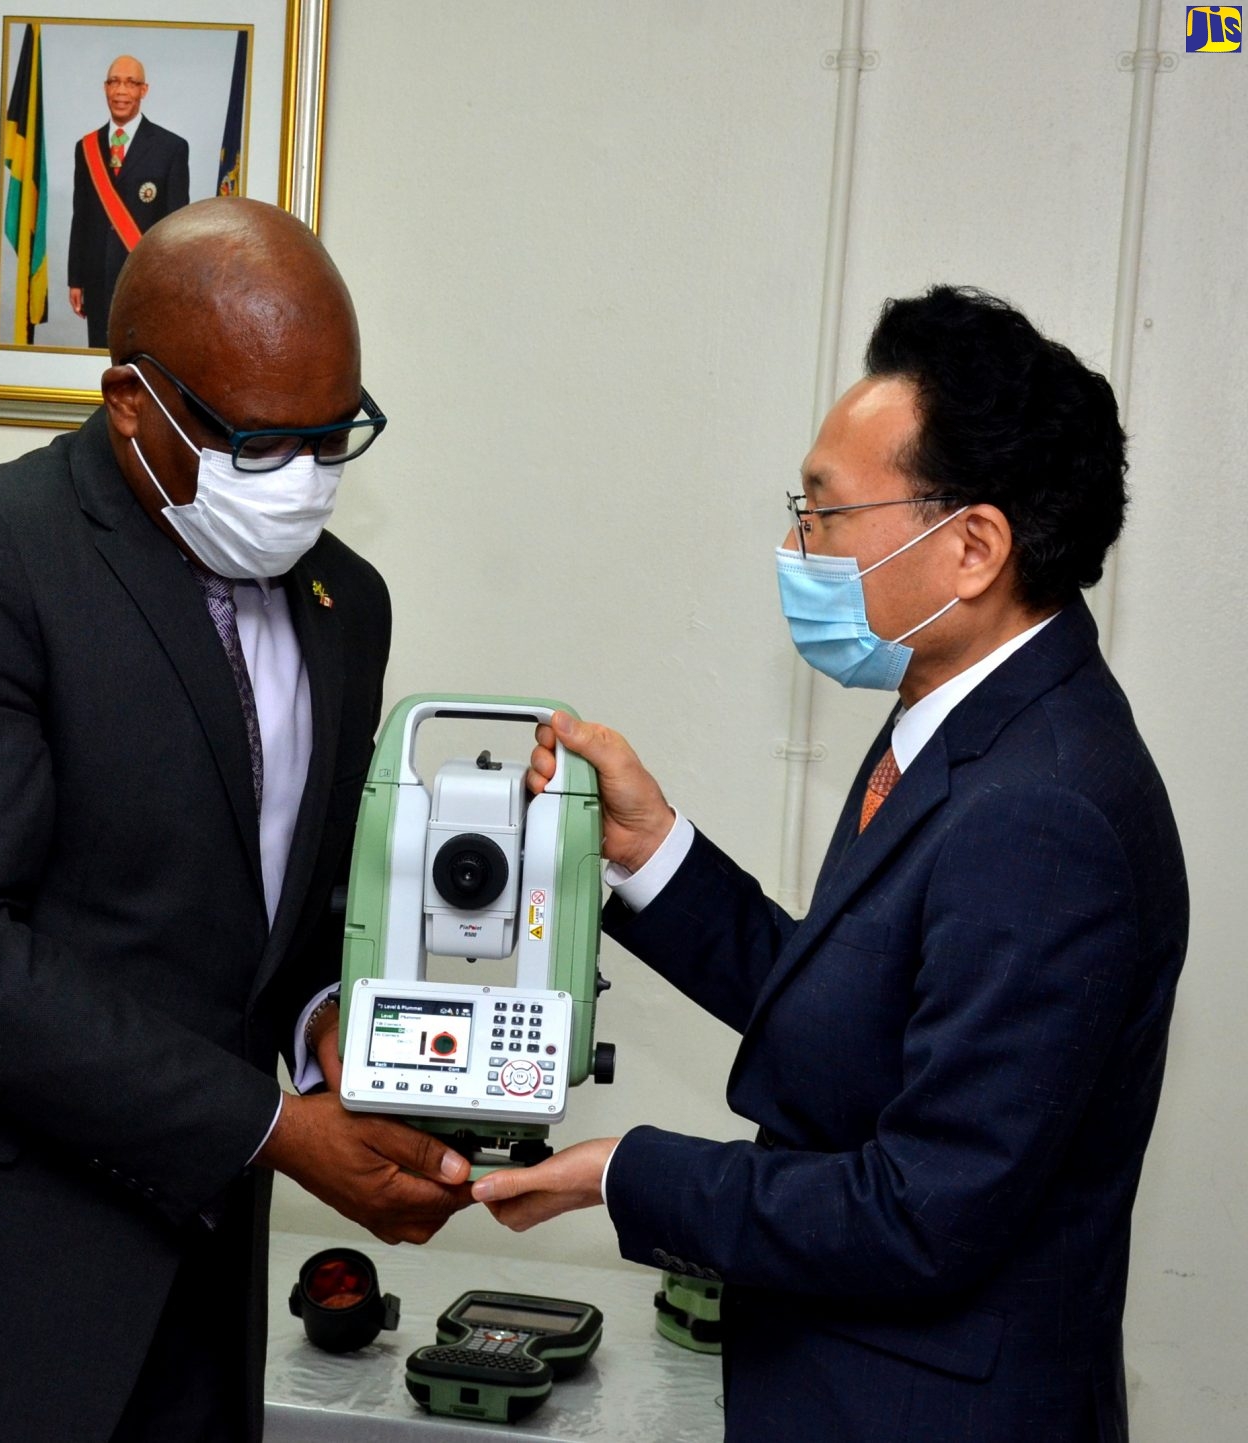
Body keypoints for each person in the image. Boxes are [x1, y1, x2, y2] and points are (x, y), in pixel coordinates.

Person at [0, 197, 470, 1443]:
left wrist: (345, 1044)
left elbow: (294, 907)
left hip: (189, 1298)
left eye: (334, 441)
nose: (302, 484)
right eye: (260, 444)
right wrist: (271, 1126)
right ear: (128, 400)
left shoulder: (343, 602)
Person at [475, 286, 1188, 1442]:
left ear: (969, 546)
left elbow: (921, 1209)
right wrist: (652, 852)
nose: (794, 549)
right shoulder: (964, 723)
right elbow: (854, 1023)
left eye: (823, 513)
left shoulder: (1044, 810)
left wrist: (625, 1173)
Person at [68, 54, 190, 349]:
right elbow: (81, 216)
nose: (121, 91)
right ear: (105, 88)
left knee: (139, 363)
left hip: (145, 281)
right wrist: (76, 278)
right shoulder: (86, 147)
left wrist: (170, 285)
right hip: (96, 278)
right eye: (114, 82)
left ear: (143, 91)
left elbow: (177, 226)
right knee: (98, 362)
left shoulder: (171, 147)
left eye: (131, 83)